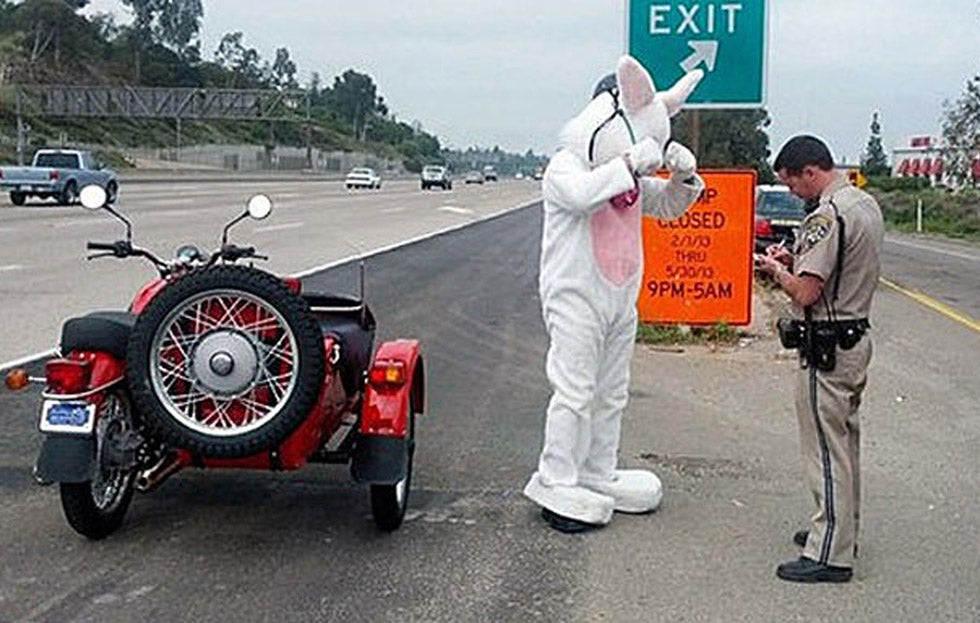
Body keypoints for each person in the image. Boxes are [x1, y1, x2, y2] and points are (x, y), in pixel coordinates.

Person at [523, 56, 705, 533]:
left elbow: (666, 207)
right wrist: (628, 162)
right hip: (575, 294)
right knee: (575, 389)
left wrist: (684, 178)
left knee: (611, 392)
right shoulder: (567, 165)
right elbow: (583, 195)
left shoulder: (628, 174)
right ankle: (557, 477)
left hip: (620, 295)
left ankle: (597, 471)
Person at [755, 135, 884, 583]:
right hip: (855, 336)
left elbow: (807, 291)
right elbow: (841, 264)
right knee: (845, 445)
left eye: (793, 184)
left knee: (825, 451)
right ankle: (841, 532)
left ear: (810, 171)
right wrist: (797, 257)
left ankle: (829, 553)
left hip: (827, 345)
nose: (793, 194)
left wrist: (778, 271)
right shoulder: (863, 203)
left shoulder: (826, 215)